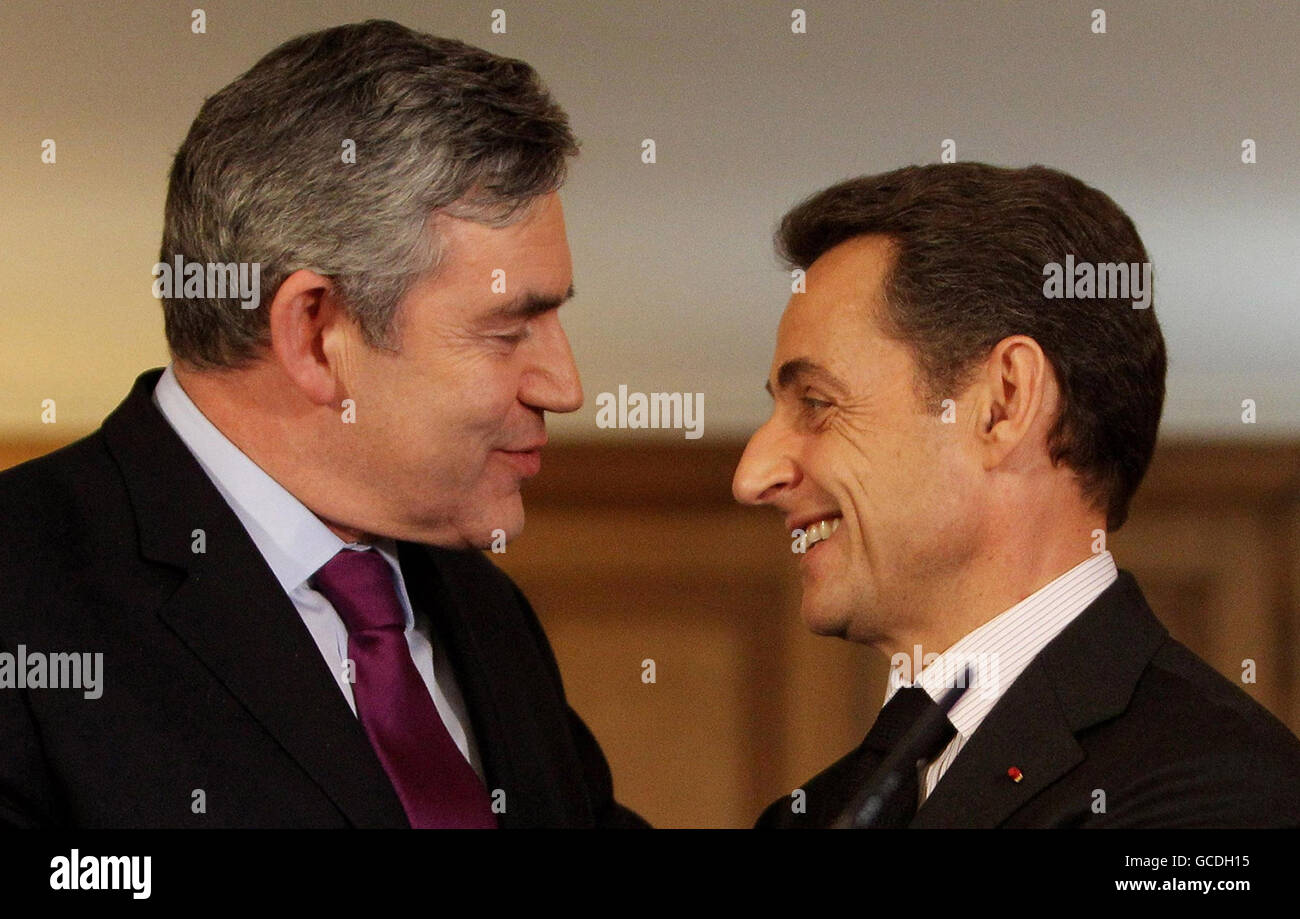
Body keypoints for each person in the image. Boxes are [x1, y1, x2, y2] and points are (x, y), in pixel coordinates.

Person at [0, 20, 646, 829]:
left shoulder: (485, 610)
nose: (566, 386)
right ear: (313, 332)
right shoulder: (22, 591)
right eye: (509, 330)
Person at [733, 162, 1300, 828]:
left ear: (1004, 402)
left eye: (818, 403)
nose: (752, 473)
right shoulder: (809, 815)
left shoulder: (1223, 796)